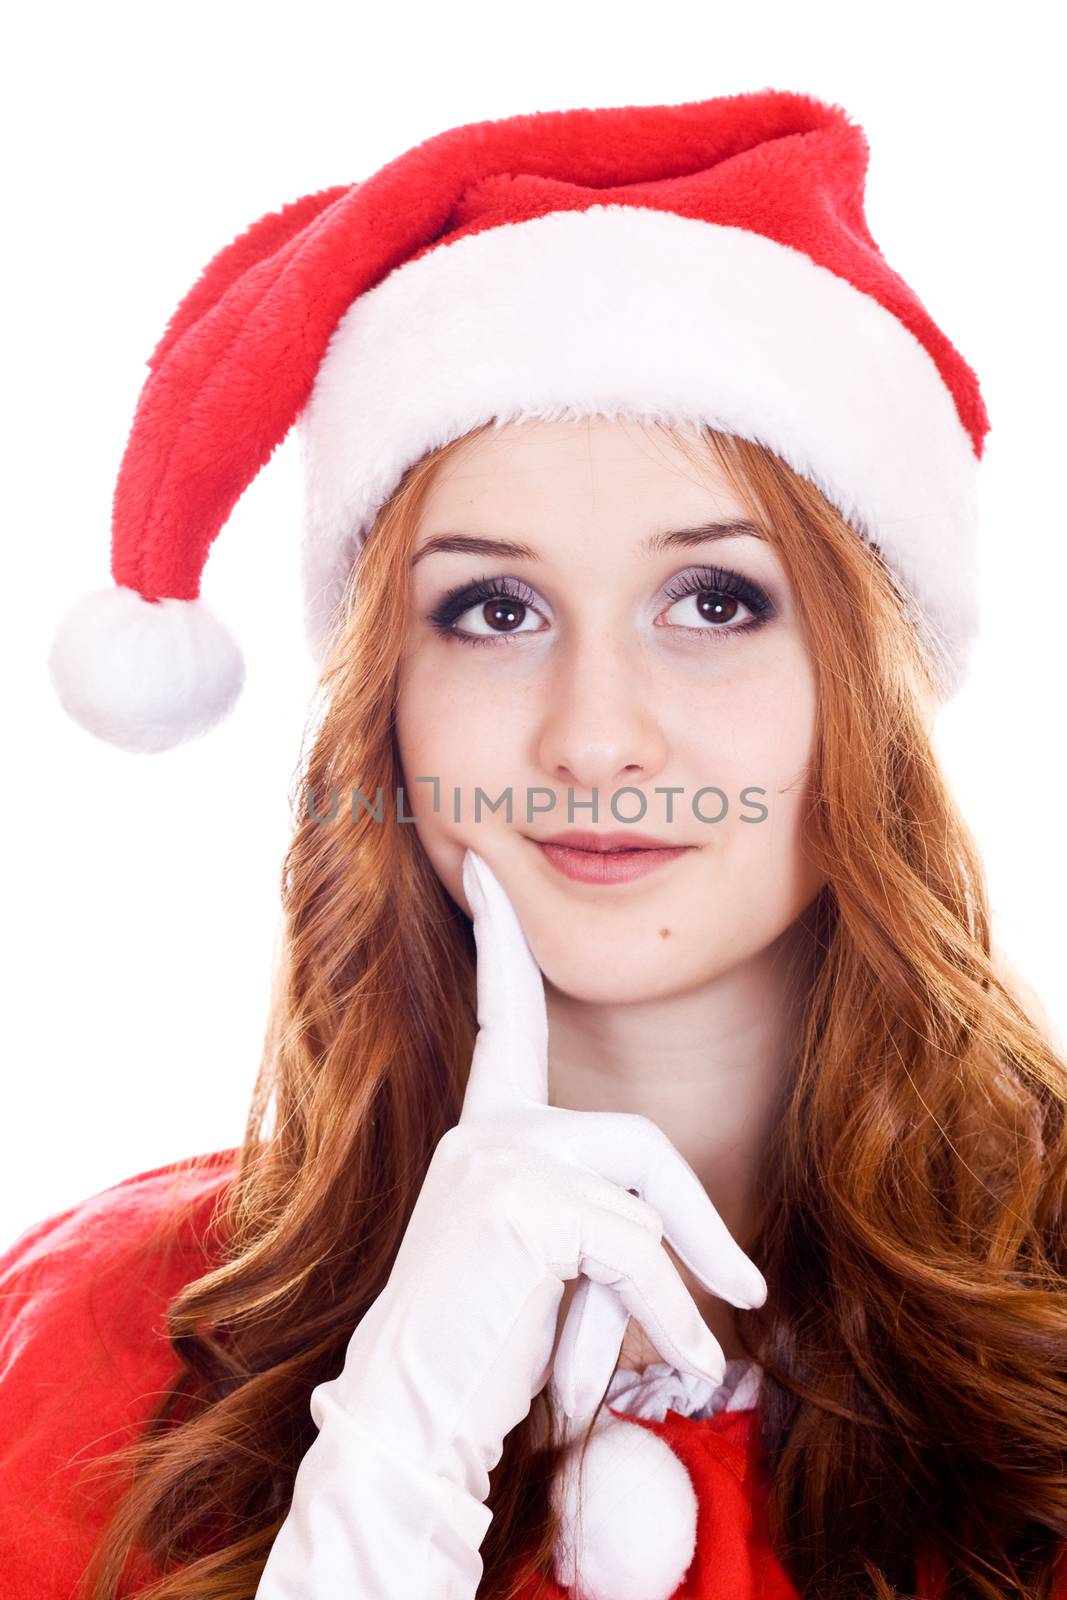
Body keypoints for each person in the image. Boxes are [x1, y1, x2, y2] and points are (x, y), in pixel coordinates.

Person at [5, 87, 1065, 1600]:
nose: (593, 738)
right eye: (493, 611)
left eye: (714, 602)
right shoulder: (87, 1350)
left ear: (871, 692)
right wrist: (380, 1492)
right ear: (389, 707)